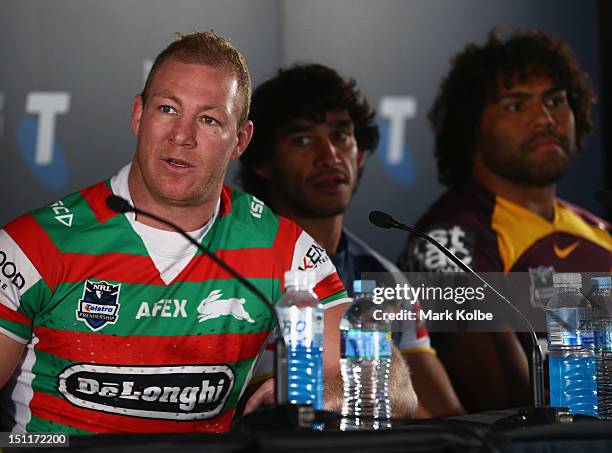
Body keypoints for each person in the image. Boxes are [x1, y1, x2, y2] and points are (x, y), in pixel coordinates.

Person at [0, 32, 350, 433]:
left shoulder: (280, 249)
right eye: (167, 109)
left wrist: (319, 396)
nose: (181, 136)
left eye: (208, 119)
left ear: (240, 140)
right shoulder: (36, 245)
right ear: (138, 114)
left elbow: (393, 387)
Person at [396, 29, 612, 412]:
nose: (545, 119)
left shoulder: (598, 228)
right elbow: (510, 402)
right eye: (516, 105)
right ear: (472, 128)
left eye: (556, 101)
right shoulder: (449, 238)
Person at [237, 63, 464, 417]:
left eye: (341, 135)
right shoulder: (232, 263)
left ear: (359, 153)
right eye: (302, 140)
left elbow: (439, 413)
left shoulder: (384, 276)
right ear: (262, 162)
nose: (329, 156)